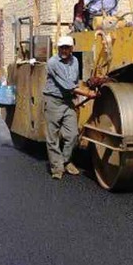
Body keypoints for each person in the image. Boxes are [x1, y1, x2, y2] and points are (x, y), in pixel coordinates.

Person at [43, 35, 97, 180]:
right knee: (52, 137)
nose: (64, 50)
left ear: (72, 48)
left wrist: (81, 96)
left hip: (68, 102)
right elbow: (68, 85)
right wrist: (88, 94)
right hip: (54, 101)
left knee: (72, 135)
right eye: (62, 48)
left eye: (67, 47)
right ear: (58, 48)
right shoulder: (53, 63)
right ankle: (57, 168)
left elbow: (75, 82)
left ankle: (66, 161)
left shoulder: (75, 61)